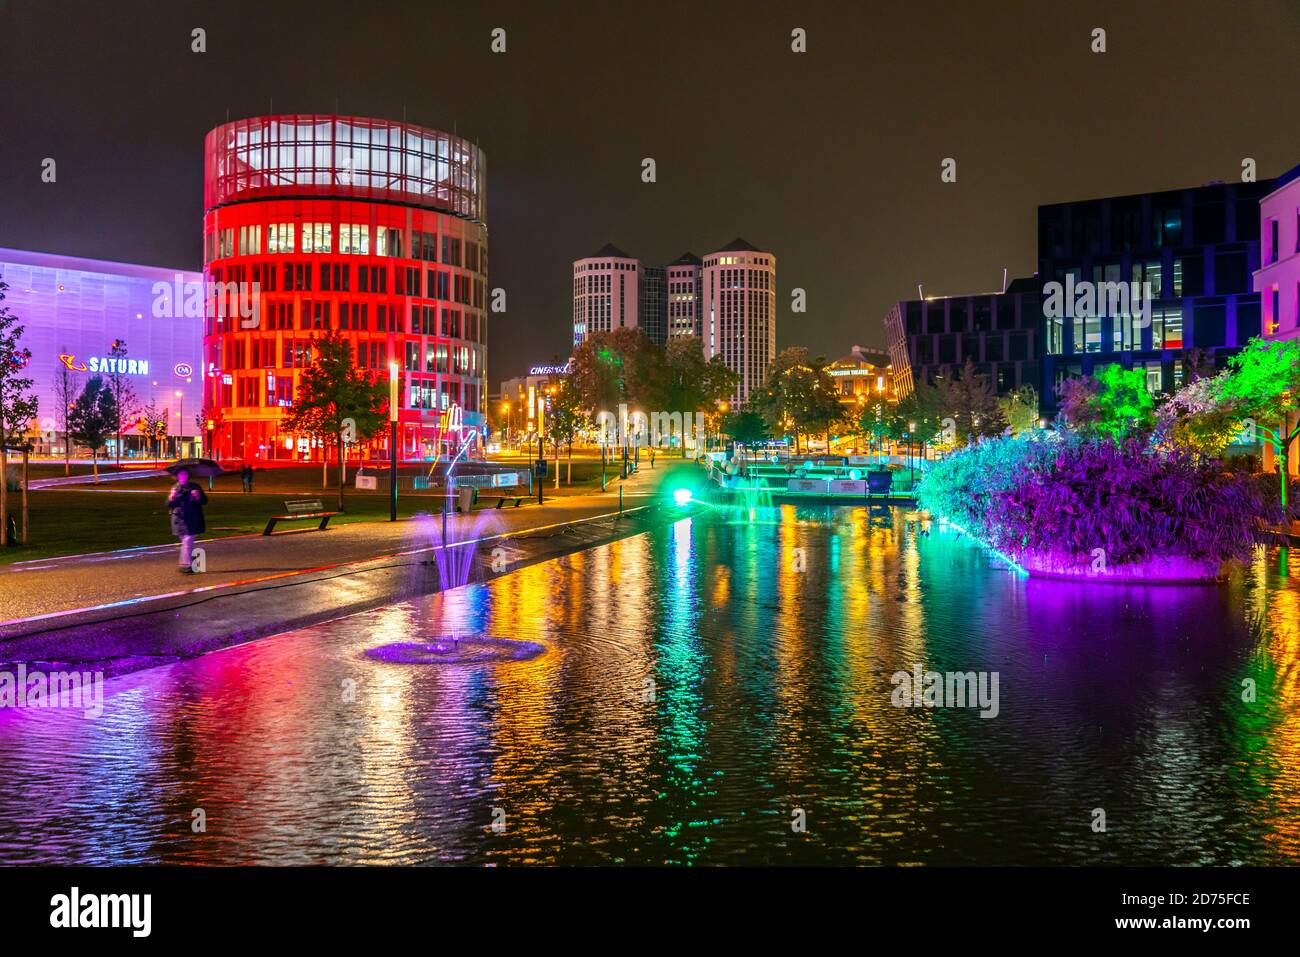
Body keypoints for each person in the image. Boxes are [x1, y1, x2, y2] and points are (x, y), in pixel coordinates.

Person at [168, 468, 208, 574]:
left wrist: (198, 496)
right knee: (187, 543)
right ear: (177, 476)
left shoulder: (195, 487)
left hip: (193, 518)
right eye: (181, 475)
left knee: (187, 541)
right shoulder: (175, 488)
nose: (183, 477)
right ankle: (193, 563)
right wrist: (171, 498)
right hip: (179, 519)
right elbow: (168, 505)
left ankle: (186, 565)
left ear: (188, 475)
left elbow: (204, 501)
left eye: (185, 474)